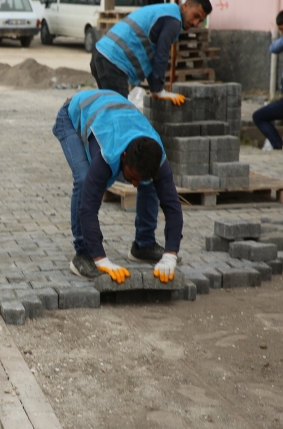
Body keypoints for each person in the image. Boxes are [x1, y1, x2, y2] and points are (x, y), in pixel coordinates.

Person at [52, 90, 184, 284]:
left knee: (150, 184)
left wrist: (171, 254)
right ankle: (83, 254)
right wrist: (100, 258)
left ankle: (143, 245)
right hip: (72, 116)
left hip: (113, 112)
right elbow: (88, 207)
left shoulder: (157, 155)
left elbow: (172, 206)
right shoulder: (108, 153)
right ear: (124, 157)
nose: (135, 184)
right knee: (83, 179)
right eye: (132, 177)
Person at [91, 0, 212, 105]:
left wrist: (156, 88)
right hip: (114, 61)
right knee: (118, 113)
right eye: (196, 16)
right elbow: (162, 54)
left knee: (107, 109)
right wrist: (159, 91)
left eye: (200, 20)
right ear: (186, 6)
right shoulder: (174, 21)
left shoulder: (166, 11)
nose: (196, 23)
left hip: (101, 54)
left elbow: (152, 57)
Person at [253, 10, 283, 150]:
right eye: (281, 29)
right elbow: (273, 48)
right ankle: (278, 145)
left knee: (258, 116)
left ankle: (278, 146)